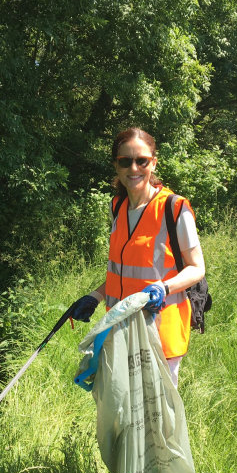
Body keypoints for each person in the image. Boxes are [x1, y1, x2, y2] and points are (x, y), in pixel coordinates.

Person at [70, 127, 206, 388]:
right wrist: (96, 296)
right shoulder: (118, 206)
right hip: (119, 330)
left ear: (153, 163)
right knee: (123, 413)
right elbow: (124, 272)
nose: (134, 168)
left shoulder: (174, 208)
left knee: (156, 419)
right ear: (116, 166)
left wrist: (163, 287)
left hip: (159, 332)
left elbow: (196, 267)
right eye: (125, 161)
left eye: (141, 160)